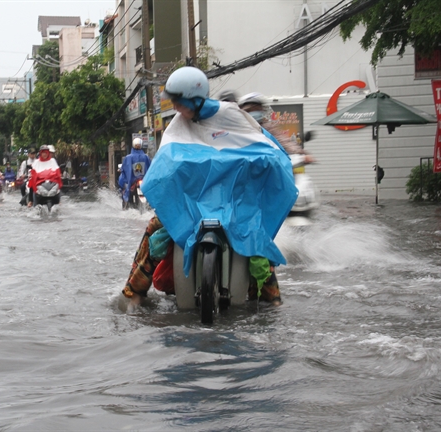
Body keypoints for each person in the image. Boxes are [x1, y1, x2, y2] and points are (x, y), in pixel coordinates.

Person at [121, 67, 297, 309]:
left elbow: (265, 147)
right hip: (193, 200)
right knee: (156, 229)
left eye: (178, 102)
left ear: (195, 99)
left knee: (257, 239)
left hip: (234, 200)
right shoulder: (179, 124)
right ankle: (135, 291)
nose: (176, 107)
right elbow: (166, 160)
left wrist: (268, 163)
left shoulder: (232, 115)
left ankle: (272, 299)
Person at [237, 92, 315, 163]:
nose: (254, 112)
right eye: (250, 110)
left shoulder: (267, 128)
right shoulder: (237, 130)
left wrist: (299, 152)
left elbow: (283, 141)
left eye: (257, 109)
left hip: (269, 167)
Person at [118, 137, 151, 209]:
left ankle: (128, 206)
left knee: (125, 188)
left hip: (131, 181)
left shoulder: (128, 157)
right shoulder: (145, 157)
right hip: (143, 180)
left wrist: (121, 170)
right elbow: (150, 167)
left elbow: (124, 168)